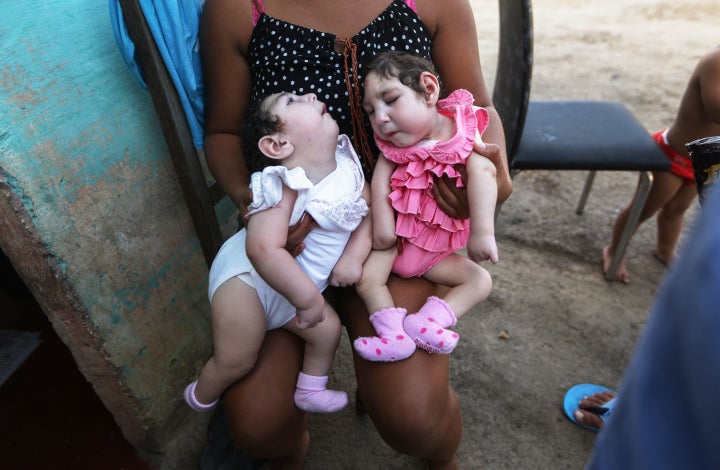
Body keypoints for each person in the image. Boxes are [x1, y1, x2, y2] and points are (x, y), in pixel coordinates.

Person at [200, 0, 512, 467]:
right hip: (294, 253)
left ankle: (441, 458)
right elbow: (224, 132)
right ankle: (292, 448)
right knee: (257, 425)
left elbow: (477, 105)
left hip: (399, 235)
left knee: (413, 419)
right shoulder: (236, 10)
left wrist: (493, 178)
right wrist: (261, 209)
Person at [184, 92, 372, 414]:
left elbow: (365, 210)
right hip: (248, 287)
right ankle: (201, 396)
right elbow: (261, 248)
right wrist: (309, 299)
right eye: (292, 100)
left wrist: (354, 255)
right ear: (277, 145)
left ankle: (310, 389)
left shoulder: (347, 167)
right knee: (238, 359)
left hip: (291, 293)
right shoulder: (283, 183)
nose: (310, 94)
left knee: (327, 331)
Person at [353, 51, 496, 362]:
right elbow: (379, 183)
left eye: (390, 100)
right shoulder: (394, 147)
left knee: (480, 280)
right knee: (367, 280)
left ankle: (430, 322)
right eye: (370, 111)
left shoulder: (461, 134)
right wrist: (383, 230)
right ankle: (392, 336)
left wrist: (482, 233)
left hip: (434, 254)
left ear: (429, 90)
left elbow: (485, 172)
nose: (379, 118)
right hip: (394, 242)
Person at [602, 45, 720, 284]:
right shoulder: (714, 61)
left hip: (704, 158)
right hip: (672, 155)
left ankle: (664, 249)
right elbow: (715, 110)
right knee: (644, 209)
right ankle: (613, 250)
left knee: (677, 209)